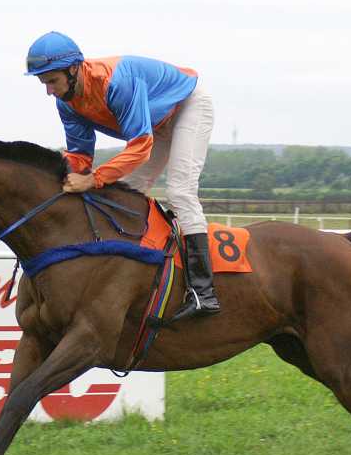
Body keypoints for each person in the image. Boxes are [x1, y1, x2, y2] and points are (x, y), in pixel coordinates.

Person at [25, 31, 219, 320]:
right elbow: (80, 157)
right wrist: (57, 179)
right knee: (123, 194)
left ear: (74, 69)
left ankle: (203, 293)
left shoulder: (116, 83)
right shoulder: (66, 102)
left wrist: (93, 179)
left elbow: (140, 147)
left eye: (52, 81)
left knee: (180, 191)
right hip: (156, 124)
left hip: (188, 106)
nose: (49, 91)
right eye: (44, 83)